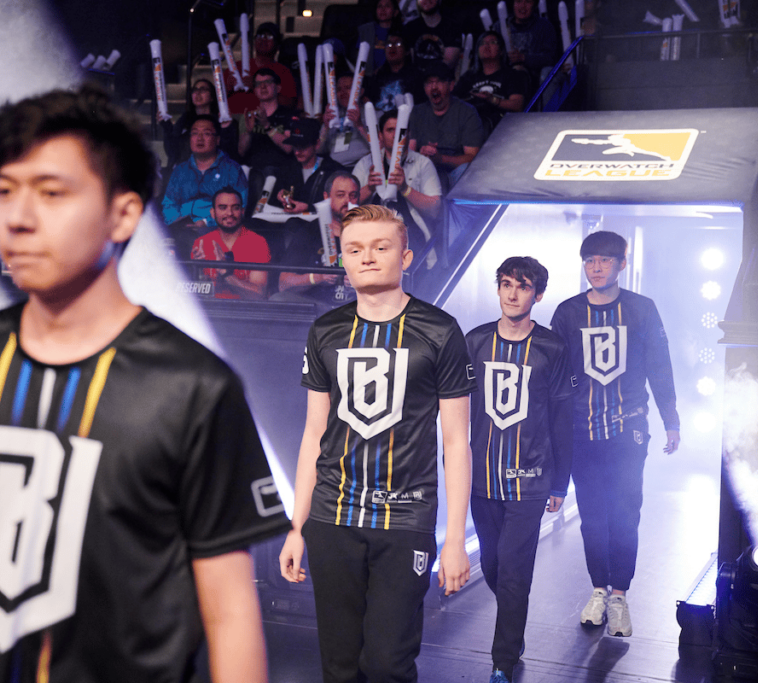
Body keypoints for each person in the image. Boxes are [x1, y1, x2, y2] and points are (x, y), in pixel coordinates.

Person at [0, 84, 290, 683]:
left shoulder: (194, 388)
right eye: (6, 190)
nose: (17, 217)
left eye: (51, 193)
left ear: (123, 214)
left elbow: (231, 613)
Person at [278, 204, 476, 682]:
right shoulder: (326, 330)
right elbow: (314, 434)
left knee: (388, 664)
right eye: (354, 249)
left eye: (380, 247)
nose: (366, 257)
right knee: (340, 666)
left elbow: (456, 442)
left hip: (405, 518)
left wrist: (454, 540)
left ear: (405, 257)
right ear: (342, 260)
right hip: (332, 518)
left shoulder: (440, 330)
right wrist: (297, 527)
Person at [549, 231, 680, 638]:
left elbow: (660, 364)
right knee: (592, 517)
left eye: (605, 260)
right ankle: (598, 590)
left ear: (622, 264)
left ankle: (620, 595)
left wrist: (671, 419)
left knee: (625, 514)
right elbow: (555, 375)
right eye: (590, 260)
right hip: (582, 430)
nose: (597, 267)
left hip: (628, 429)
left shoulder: (641, 308)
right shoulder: (568, 312)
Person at [465, 257, 573, 683]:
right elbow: (456, 410)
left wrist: (560, 483)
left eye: (523, 286)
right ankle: (514, 618)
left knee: (512, 570)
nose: (512, 293)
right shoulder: (475, 341)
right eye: (506, 284)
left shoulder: (552, 348)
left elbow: (562, 418)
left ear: (538, 295)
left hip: (530, 480)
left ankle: (502, 661)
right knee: (493, 565)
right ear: (498, 289)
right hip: (481, 478)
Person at [353, 109, 442, 265]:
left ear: (408, 134)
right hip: (371, 234)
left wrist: (405, 189)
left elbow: (435, 210)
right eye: (390, 130)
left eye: (401, 131)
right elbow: (345, 209)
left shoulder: (422, 163)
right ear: (380, 135)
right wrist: (369, 188)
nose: (395, 135)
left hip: (411, 235)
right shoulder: (365, 164)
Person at [271, 171, 359, 313]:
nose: (347, 201)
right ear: (326, 197)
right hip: (317, 308)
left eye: (353, 195)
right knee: (278, 299)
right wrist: (318, 277)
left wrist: (364, 280)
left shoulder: (370, 232)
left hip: (357, 308)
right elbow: (284, 284)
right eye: (340, 195)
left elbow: (389, 278)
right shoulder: (309, 232)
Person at [161, 114, 248, 244]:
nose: (199, 138)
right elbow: (169, 204)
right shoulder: (180, 170)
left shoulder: (232, 170)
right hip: (181, 230)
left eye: (206, 133)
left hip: (216, 231)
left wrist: (206, 222)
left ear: (217, 140)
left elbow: (239, 210)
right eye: (195, 133)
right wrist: (177, 222)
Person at [408, 60, 484, 189]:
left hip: (454, 174)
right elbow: (409, 150)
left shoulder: (467, 112)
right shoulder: (417, 112)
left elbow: (472, 158)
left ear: (451, 85)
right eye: (429, 83)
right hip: (424, 172)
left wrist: (440, 158)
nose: (434, 87)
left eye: (439, 82)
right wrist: (421, 155)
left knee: (467, 170)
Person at [191, 187, 271, 300]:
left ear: (242, 212)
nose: (229, 213)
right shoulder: (201, 243)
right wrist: (197, 269)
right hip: (210, 308)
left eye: (235, 208)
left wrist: (225, 273)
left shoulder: (257, 242)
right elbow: (193, 294)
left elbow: (258, 295)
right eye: (223, 208)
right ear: (213, 213)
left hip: (244, 309)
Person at [238, 67, 299, 210]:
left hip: (281, 174)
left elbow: (289, 147)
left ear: (278, 88)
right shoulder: (248, 116)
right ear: (254, 90)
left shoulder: (289, 115)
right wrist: (248, 132)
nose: (263, 87)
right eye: (258, 84)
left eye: (268, 82)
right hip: (253, 173)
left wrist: (267, 125)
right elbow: (241, 151)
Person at [456, 31, 531, 134]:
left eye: (492, 42)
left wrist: (491, 99)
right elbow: (454, 101)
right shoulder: (468, 77)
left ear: (501, 51)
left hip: (501, 125)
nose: (486, 46)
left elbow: (517, 105)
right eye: (482, 43)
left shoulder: (512, 75)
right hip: (470, 122)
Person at [226, 21, 298, 114]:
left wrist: (257, 86)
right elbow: (215, 98)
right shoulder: (235, 67)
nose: (263, 39)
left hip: (264, 119)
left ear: (277, 46)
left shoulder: (283, 71)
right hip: (233, 118)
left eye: (269, 37)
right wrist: (228, 88)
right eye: (260, 36)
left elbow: (289, 103)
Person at [164, 79, 240, 167]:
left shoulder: (222, 120)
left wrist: (226, 128)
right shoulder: (185, 119)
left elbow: (230, 153)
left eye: (203, 89)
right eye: (195, 90)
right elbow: (172, 152)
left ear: (212, 97)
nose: (198, 93)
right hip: (186, 168)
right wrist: (166, 125)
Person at [278, 117, 345, 214]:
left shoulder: (333, 170)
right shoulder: (287, 168)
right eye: (295, 146)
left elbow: (342, 203)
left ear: (317, 144)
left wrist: (309, 207)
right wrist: (279, 196)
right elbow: (274, 202)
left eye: (303, 146)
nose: (297, 152)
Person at [492, 0, 560, 90]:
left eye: (528, 2)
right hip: (504, 77)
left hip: (536, 79)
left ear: (534, 5)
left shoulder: (544, 26)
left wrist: (524, 58)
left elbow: (550, 58)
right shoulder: (499, 27)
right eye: (518, 1)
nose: (522, 6)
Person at [318, 70, 374, 169]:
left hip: (361, 167)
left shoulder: (372, 114)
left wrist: (359, 125)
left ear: (361, 91)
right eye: (339, 89)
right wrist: (326, 127)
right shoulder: (332, 115)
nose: (342, 93)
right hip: (334, 169)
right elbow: (318, 150)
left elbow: (380, 147)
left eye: (348, 88)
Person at [370, 30, 427, 114]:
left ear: (407, 51)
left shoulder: (417, 76)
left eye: (398, 44)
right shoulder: (378, 76)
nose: (392, 47)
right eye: (389, 44)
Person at [402, 0, 463, 70]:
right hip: (416, 75)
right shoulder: (410, 28)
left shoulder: (452, 28)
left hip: (441, 75)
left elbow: (449, 62)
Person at [356, 0, 404, 72]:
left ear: (395, 12)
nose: (383, 10)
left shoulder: (401, 31)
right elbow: (360, 58)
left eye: (387, 6)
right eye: (380, 6)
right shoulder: (367, 30)